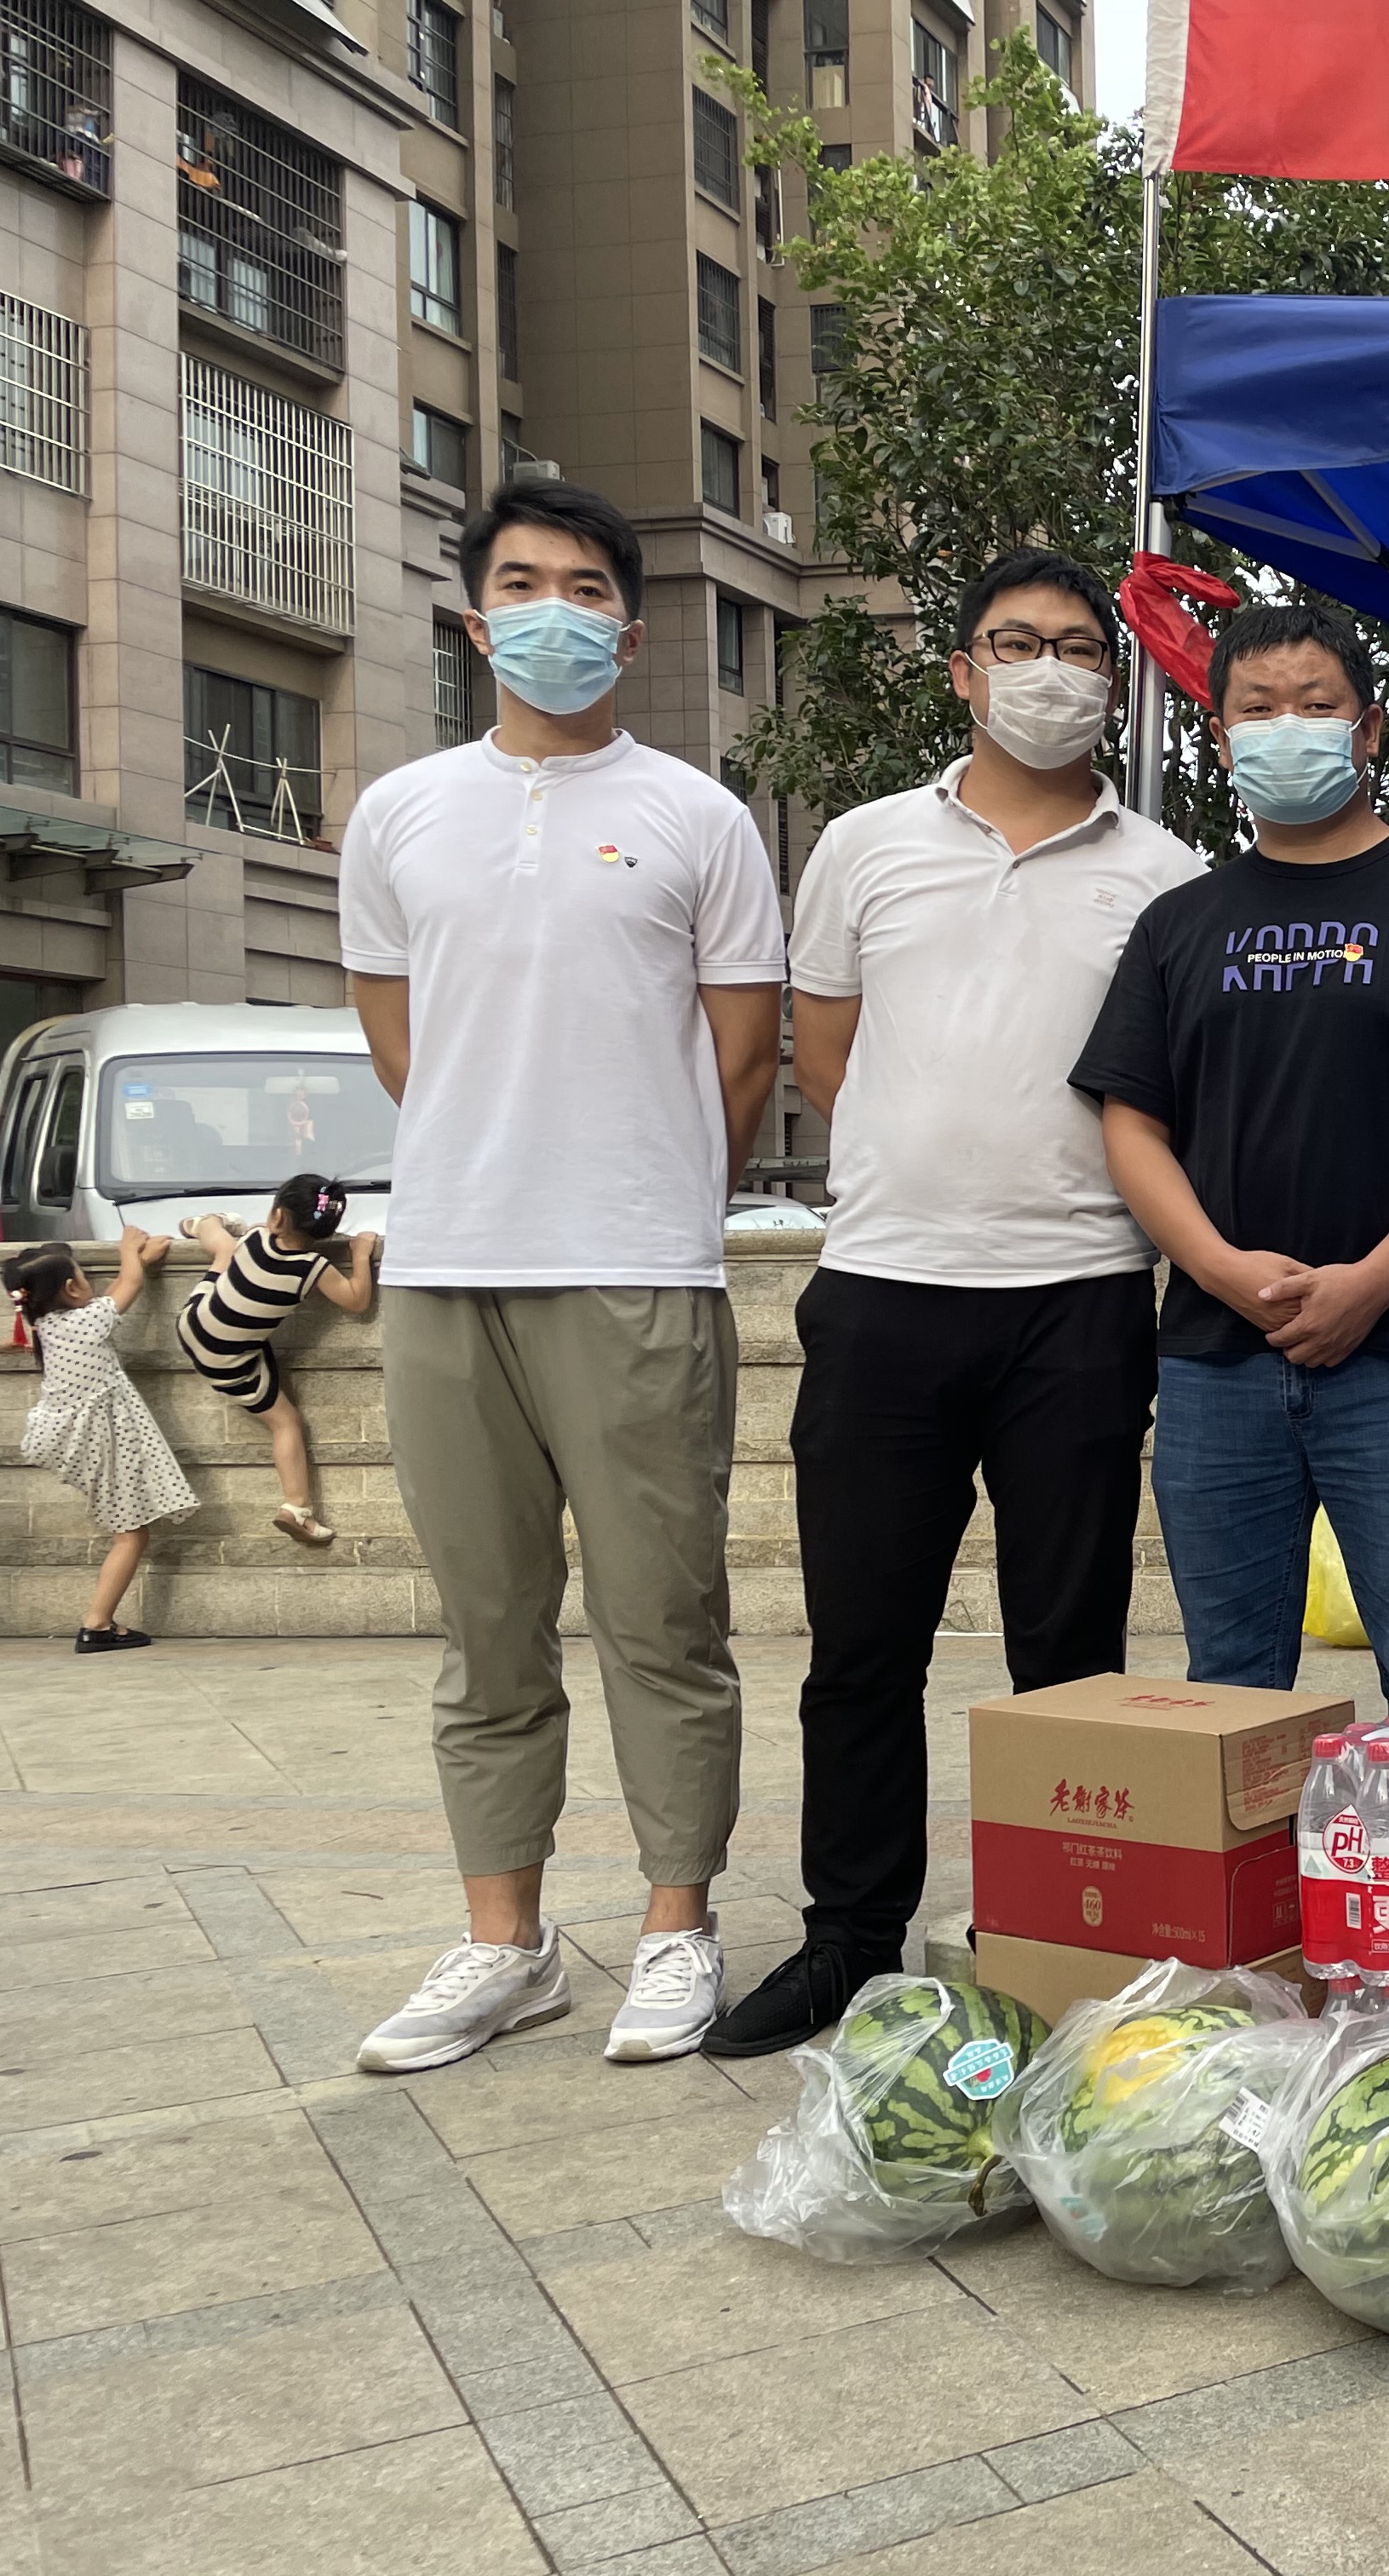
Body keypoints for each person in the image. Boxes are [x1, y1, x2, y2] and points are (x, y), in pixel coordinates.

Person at [705, 549, 1208, 2058]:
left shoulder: (1164, 872)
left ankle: (1056, 1937)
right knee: (864, 1647)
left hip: (1081, 1300)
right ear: (963, 670)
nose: (1049, 670)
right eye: (1017, 641)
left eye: (1079, 647)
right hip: (884, 1293)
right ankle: (847, 1940)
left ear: (1113, 679)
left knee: (1072, 1656)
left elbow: (1168, 1086)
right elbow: (826, 1051)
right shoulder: (864, 845)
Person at [341, 477, 787, 2074]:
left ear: (631, 627)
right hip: (447, 1267)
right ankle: (505, 1941)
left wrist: (648, 1193)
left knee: (663, 1617)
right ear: (476, 623)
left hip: (634, 1269)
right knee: (488, 1627)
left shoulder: (698, 816)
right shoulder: (399, 813)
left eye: (587, 588)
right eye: (522, 583)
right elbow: (403, 1044)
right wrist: (497, 1165)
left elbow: (744, 1060)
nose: (555, 611)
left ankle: (676, 1923)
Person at [1070, 602, 1389, 1720]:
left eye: (1316, 705)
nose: (1287, 728)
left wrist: (1375, 1283)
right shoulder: (1180, 923)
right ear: (1219, 741)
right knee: (1228, 1693)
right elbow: (1132, 1123)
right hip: (1216, 1361)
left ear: (1370, 729)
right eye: (1258, 711)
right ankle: (1257, 1858)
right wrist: (1220, 1270)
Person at [10, 1231, 192, 1651]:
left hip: (73, 1438)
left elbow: (106, 1298)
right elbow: (128, 1285)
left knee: (129, 1529)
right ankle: (97, 1625)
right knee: (131, 1535)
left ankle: (100, 1622)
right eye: (82, 1275)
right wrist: (131, 1251)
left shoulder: (47, 1323)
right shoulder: (84, 1322)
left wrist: (138, 1260)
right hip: (98, 1442)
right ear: (71, 1288)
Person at [178, 1174, 382, 1548]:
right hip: (226, 1361)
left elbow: (263, 1238)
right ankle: (297, 1508)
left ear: (276, 1217)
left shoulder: (256, 1238)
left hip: (193, 1324)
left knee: (225, 1251)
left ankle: (201, 1223)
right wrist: (360, 1253)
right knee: (285, 1421)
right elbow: (357, 1301)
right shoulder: (312, 1268)